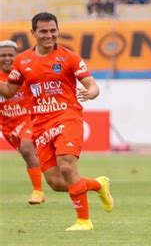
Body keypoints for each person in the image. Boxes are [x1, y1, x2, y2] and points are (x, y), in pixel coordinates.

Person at [0, 12, 114, 231]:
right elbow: (8, 91)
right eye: (43, 31)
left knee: (66, 165)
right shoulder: (22, 61)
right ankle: (99, 184)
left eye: (53, 30)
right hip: (41, 125)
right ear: (33, 33)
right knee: (56, 182)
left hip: (67, 117)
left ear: (58, 30)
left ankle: (84, 221)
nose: (49, 35)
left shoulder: (69, 57)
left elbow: (92, 84)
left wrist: (92, 92)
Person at [0, 40, 45, 205]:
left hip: (30, 119)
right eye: (2, 55)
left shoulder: (24, 73)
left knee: (27, 149)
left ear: (16, 56)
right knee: (30, 156)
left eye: (10, 55)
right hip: (8, 127)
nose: (7, 58)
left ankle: (38, 192)